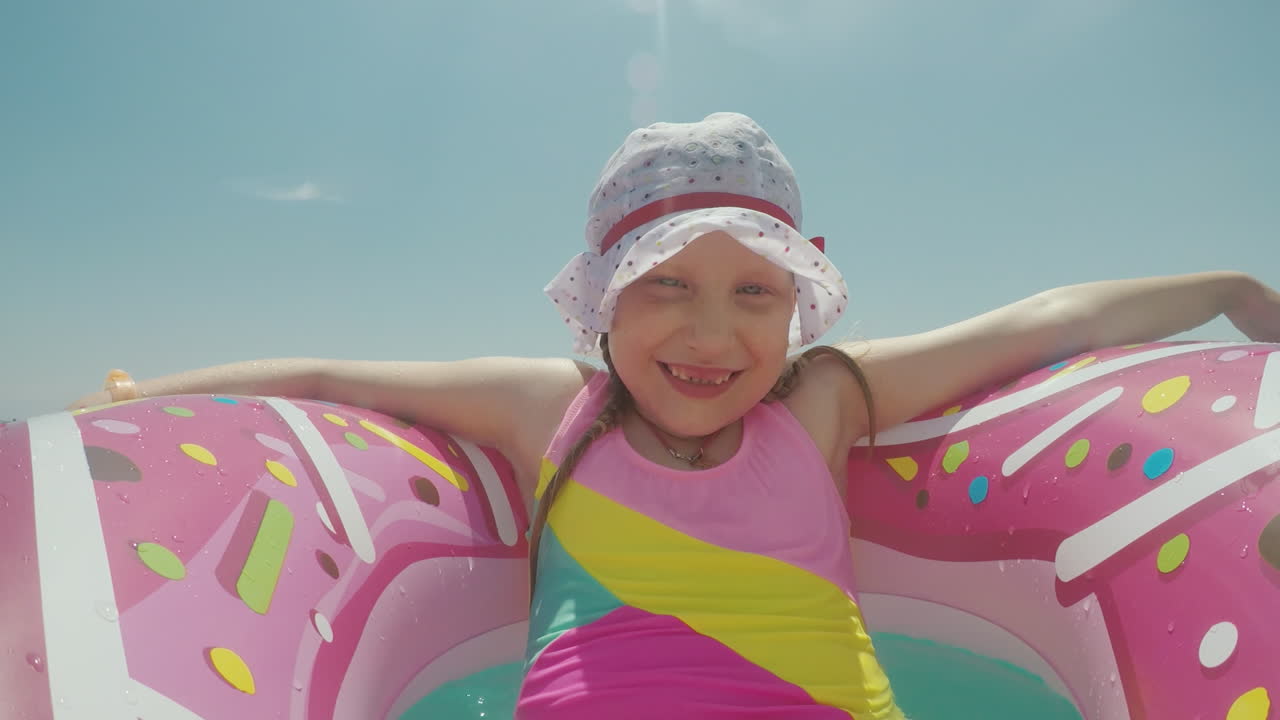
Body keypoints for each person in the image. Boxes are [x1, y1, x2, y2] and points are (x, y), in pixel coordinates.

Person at [69, 113, 1279, 719]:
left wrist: (1222, 291)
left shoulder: (822, 401)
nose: (711, 338)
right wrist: (149, 400)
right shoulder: (546, 405)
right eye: (667, 290)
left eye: (753, 294)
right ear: (602, 299)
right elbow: (334, 379)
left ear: (795, 304)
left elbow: (1040, 321)